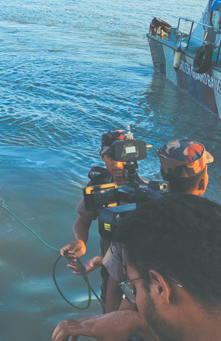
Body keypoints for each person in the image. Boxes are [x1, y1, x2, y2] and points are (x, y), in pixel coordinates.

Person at [53, 140, 215, 341]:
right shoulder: (212, 223)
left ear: (161, 288)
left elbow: (117, 284)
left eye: (136, 288)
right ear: (203, 181)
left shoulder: (140, 224)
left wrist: (126, 321)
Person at [59, 129, 131, 308]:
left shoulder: (144, 192)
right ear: (102, 157)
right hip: (107, 269)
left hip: (135, 273)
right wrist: (80, 242)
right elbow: (83, 220)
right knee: (108, 316)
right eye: (111, 157)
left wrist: (103, 260)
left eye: (122, 157)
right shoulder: (99, 184)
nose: (117, 163)